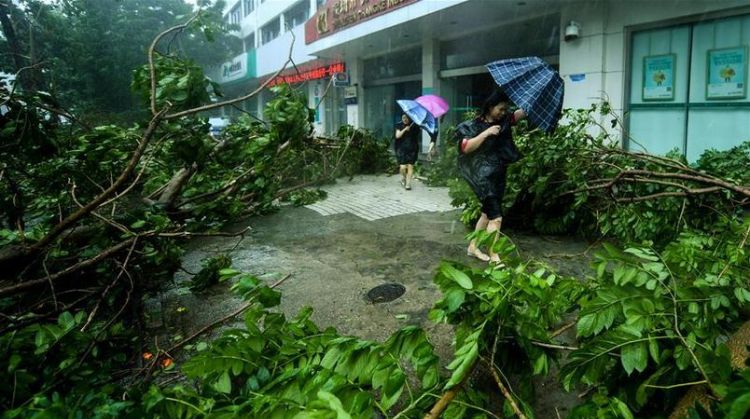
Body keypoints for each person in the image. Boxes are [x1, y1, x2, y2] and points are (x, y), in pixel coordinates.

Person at [456, 90, 526, 264]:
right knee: (496, 217)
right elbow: (465, 147)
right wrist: (486, 133)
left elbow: (521, 114)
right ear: (490, 107)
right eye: (500, 109)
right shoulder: (472, 125)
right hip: (481, 177)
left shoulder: (504, 121)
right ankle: (494, 255)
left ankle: (473, 247)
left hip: (498, 174)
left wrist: (536, 98)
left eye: (505, 110)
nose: (503, 113)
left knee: (487, 214)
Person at [394, 114, 421, 190]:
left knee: (410, 166)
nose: (405, 119)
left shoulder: (414, 125)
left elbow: (417, 135)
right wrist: (405, 129)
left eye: (406, 118)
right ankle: (404, 177)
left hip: (412, 149)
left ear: (409, 118)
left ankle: (408, 184)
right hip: (401, 149)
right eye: (403, 118)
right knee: (402, 167)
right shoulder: (399, 125)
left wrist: (413, 128)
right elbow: (397, 136)